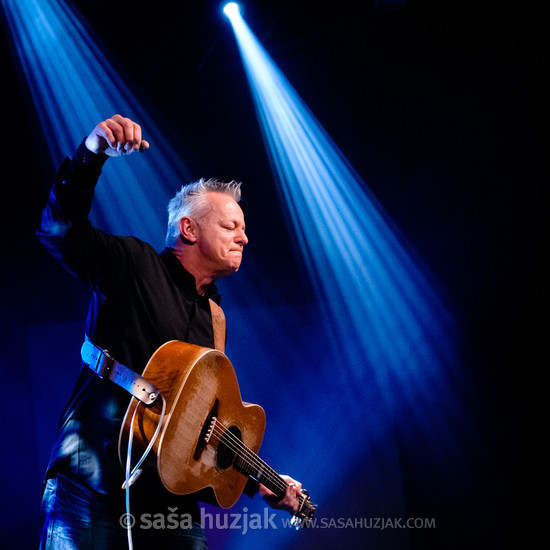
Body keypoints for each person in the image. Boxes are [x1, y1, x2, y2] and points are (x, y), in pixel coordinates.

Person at [37, 114, 302, 549]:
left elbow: (202, 426)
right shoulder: (135, 265)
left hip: (167, 504)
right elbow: (57, 231)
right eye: (231, 227)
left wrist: (258, 480)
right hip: (91, 484)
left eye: (244, 229)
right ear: (188, 228)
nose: (245, 238)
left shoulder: (214, 319)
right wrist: (92, 152)